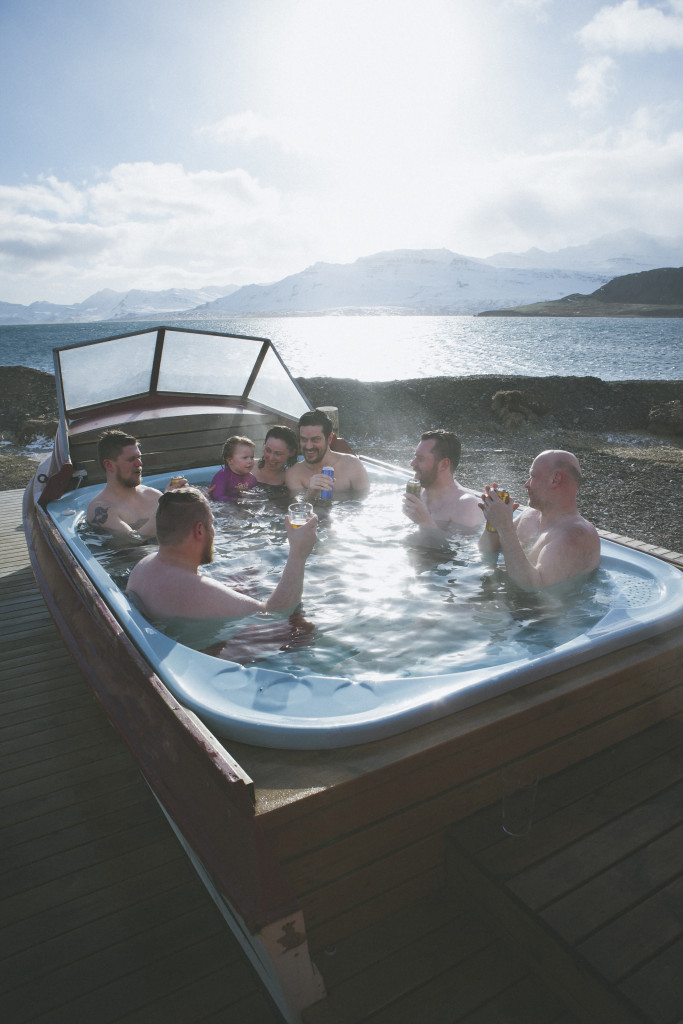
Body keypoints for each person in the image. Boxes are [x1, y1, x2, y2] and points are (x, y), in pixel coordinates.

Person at [126, 486, 317, 619]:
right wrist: (298, 554)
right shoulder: (195, 590)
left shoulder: (143, 565)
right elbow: (275, 614)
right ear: (200, 530)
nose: (214, 531)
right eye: (212, 524)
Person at [479, 449, 600, 589]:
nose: (526, 484)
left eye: (533, 476)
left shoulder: (575, 535)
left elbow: (534, 590)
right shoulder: (530, 515)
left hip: (535, 609)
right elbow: (486, 551)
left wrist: (505, 526)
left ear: (555, 479)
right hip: (507, 597)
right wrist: (494, 522)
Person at [86, 429, 186, 537]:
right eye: (131, 459)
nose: (139, 463)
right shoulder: (101, 509)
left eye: (139, 457)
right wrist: (165, 506)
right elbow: (133, 543)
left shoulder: (153, 495)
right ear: (109, 465)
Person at [402, 430, 484, 541]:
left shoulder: (466, 504)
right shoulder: (418, 492)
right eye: (415, 457)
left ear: (444, 465)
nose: (412, 463)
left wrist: (425, 523)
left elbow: (460, 551)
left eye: (420, 459)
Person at [285, 408, 369, 497]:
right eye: (304, 439)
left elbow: (367, 504)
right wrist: (309, 494)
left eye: (315, 440)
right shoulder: (293, 474)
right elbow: (297, 509)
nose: (308, 446)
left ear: (329, 439)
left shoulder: (352, 465)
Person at [208, 436, 259, 501]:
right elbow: (218, 497)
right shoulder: (222, 476)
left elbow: (256, 495)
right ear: (230, 460)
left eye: (252, 457)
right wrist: (238, 500)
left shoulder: (252, 479)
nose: (250, 461)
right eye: (245, 457)